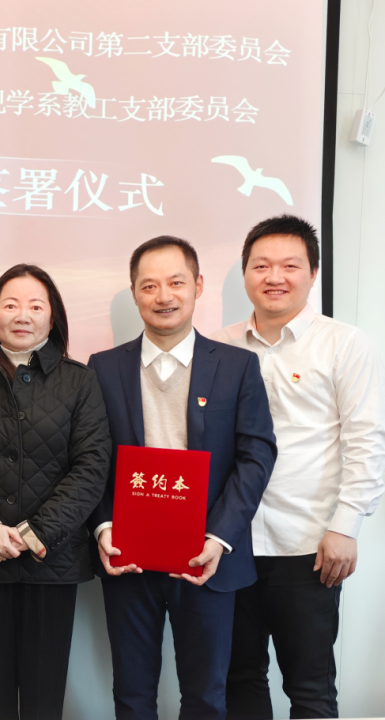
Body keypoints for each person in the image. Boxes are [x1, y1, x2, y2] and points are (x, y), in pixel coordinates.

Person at [87, 236, 277, 720]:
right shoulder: (103, 368)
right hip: (128, 558)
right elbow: (90, 459)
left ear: (198, 286)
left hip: (206, 558)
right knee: (132, 696)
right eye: (149, 285)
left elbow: (256, 455)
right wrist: (104, 526)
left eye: (175, 282)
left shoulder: (237, 366)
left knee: (207, 697)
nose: (163, 296)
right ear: (134, 292)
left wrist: (219, 536)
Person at [214, 215, 385, 719]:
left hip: (307, 545)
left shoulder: (344, 343)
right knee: (239, 679)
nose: (274, 277)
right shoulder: (219, 345)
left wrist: (346, 527)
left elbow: (366, 440)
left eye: (290, 266)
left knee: (310, 688)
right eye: (261, 265)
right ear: (245, 273)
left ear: (312, 273)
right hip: (230, 542)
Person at [0, 264, 111, 720]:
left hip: (52, 558)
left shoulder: (79, 381)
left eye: (36, 306)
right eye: (10, 305)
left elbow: (91, 466)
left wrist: (36, 533)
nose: (22, 315)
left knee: (43, 698)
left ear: (53, 318)